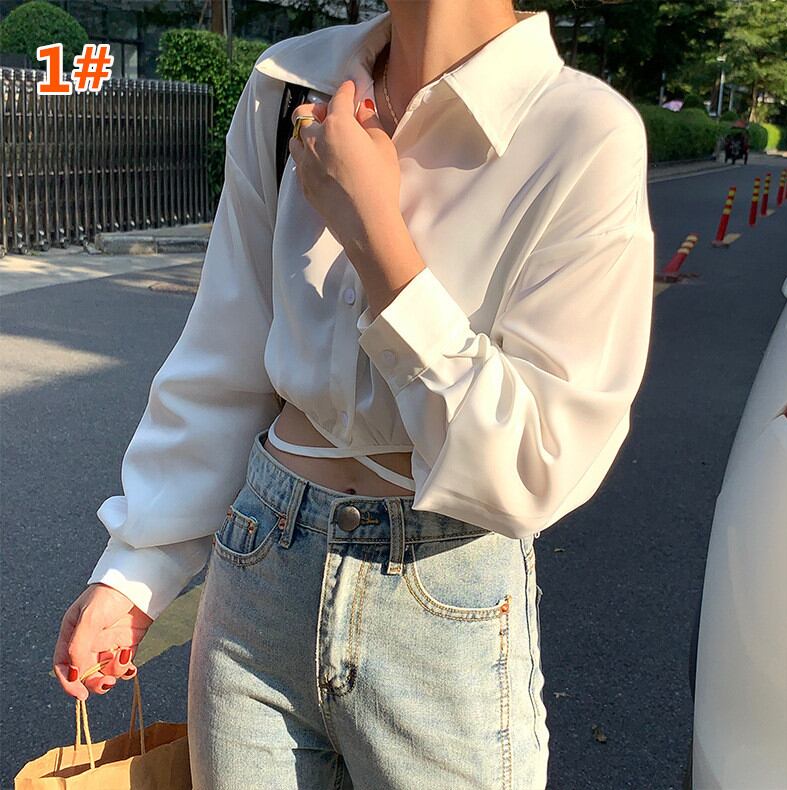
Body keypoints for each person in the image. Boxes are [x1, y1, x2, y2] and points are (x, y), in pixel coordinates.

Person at [52, 1, 655, 787]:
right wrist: (138, 565)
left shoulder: (582, 132)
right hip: (260, 571)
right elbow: (226, 345)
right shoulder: (290, 84)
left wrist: (376, 235)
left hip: (443, 591)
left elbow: (536, 468)